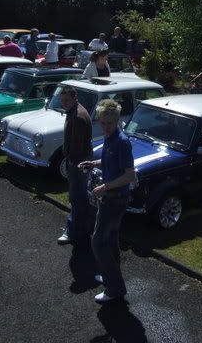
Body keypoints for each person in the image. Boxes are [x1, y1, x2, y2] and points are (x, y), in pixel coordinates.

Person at [79, 99, 135, 303]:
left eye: (108, 123)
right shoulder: (110, 137)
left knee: (98, 241)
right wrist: (93, 163)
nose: (104, 127)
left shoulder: (121, 141)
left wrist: (105, 187)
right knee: (109, 239)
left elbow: (130, 175)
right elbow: (111, 162)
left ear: (116, 121)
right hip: (109, 197)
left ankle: (115, 288)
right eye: (102, 123)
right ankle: (110, 275)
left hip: (115, 199)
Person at [57, 86, 95, 246]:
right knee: (81, 196)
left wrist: (69, 160)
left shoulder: (77, 116)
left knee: (77, 197)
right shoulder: (75, 111)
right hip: (80, 161)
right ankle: (83, 227)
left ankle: (73, 231)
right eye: (62, 100)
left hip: (78, 162)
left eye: (67, 100)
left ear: (74, 98)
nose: (64, 103)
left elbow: (76, 148)